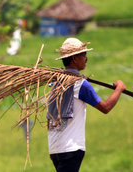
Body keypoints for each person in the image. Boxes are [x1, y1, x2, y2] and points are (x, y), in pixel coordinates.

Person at [47, 37, 126, 172]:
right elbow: (105, 107)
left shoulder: (55, 83)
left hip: (56, 149)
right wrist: (120, 88)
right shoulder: (80, 84)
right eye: (83, 55)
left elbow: (51, 116)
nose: (86, 58)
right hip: (71, 148)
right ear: (74, 59)